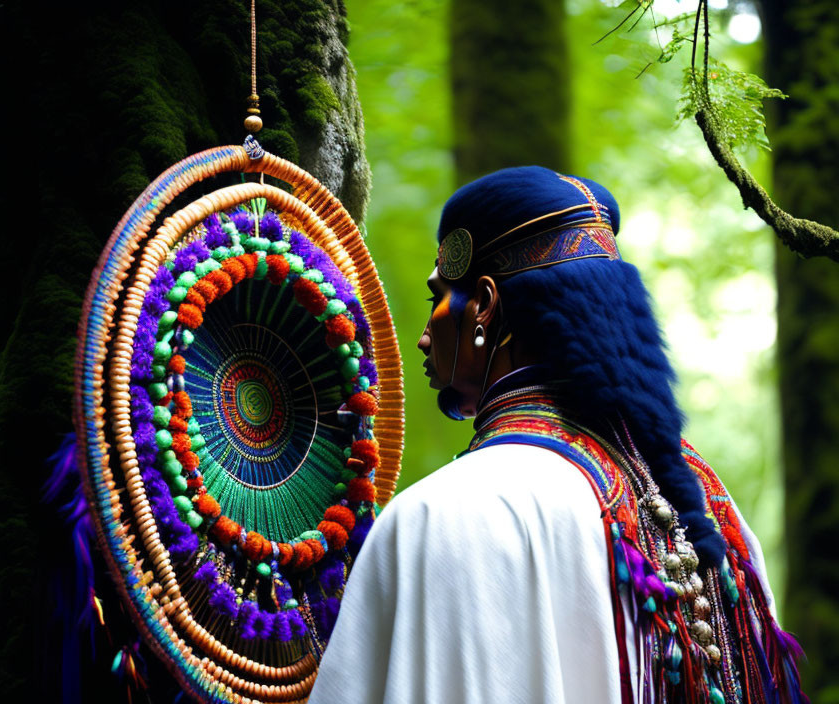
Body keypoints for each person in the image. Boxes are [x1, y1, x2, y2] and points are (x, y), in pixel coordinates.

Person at [308, 166, 806, 704]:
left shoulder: (449, 513)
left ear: (484, 304)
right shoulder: (709, 505)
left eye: (438, 300)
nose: (426, 337)